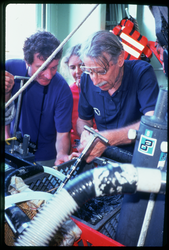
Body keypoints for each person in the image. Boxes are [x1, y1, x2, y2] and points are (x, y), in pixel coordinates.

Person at [76, 30, 159, 163]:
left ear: (120, 58)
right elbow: (83, 120)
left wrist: (105, 138)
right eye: (89, 71)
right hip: (104, 162)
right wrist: (85, 134)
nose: (95, 81)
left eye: (101, 71)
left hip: (137, 162)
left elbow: (152, 124)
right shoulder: (87, 79)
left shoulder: (142, 74)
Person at [5, 30, 73, 167]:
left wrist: (61, 155)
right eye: (41, 68)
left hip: (46, 159)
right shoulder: (10, 69)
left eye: (54, 68)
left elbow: (62, 134)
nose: (48, 75)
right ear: (27, 62)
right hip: (10, 150)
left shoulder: (62, 90)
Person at [60, 44, 96, 153]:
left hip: (99, 148)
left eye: (81, 65)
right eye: (72, 67)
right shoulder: (67, 93)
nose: (77, 71)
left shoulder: (101, 89)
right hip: (75, 151)